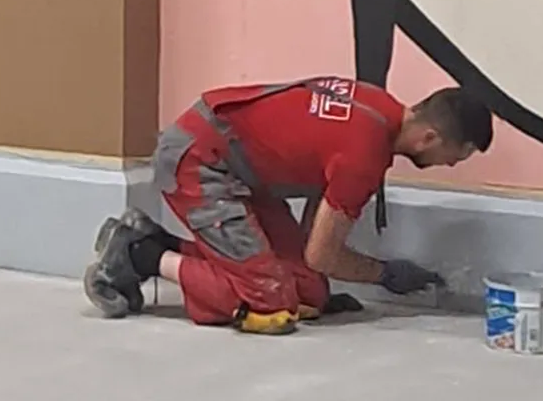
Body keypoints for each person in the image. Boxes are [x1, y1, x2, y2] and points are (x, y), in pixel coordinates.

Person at [85, 78, 494, 335]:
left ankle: (151, 240)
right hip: (200, 160)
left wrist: (304, 265)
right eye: (456, 155)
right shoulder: (364, 156)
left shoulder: (377, 104)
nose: (452, 166)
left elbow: (316, 232)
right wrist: (385, 273)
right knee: (272, 303)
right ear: (429, 138)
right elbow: (322, 254)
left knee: (309, 292)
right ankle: (140, 253)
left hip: (237, 165)